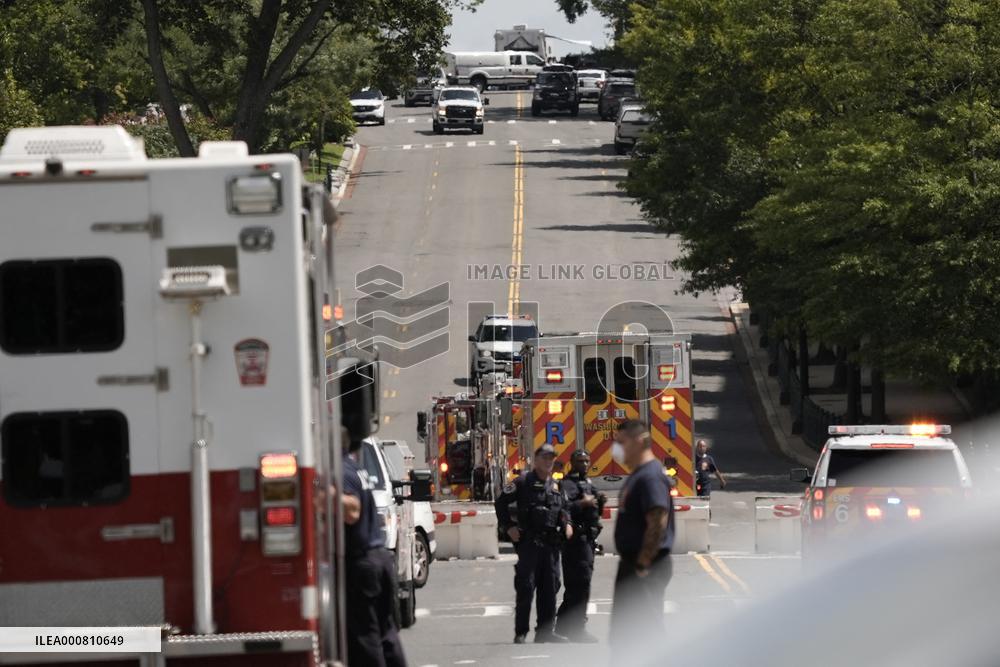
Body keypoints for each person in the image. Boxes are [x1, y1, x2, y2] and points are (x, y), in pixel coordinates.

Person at [495, 443, 573, 644]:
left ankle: (545, 632)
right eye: (545, 458)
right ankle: (521, 631)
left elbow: (565, 509)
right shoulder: (522, 482)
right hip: (529, 543)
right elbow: (501, 502)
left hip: (551, 546)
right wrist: (508, 527)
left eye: (551, 458)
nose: (548, 462)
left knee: (551, 587)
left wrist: (568, 524)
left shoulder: (556, 486)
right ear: (536, 460)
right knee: (526, 587)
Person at [341, 430, 407, 667]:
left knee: (366, 637)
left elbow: (352, 510)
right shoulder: (356, 468)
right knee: (386, 631)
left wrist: (321, 495)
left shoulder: (339, 471)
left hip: (362, 563)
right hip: (379, 558)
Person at [610, 419, 675, 650]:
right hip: (635, 563)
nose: (616, 449)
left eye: (621, 442)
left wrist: (643, 563)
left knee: (645, 635)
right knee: (627, 636)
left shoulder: (650, 477)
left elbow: (658, 518)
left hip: (645, 565)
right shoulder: (639, 475)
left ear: (638, 442)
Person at [555, 450, 605, 642]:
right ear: (572, 463)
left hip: (588, 539)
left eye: (586, 461)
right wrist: (582, 504)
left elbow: (595, 510)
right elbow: (564, 508)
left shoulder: (587, 482)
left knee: (578, 584)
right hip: (576, 539)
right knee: (580, 583)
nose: (584, 464)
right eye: (580, 461)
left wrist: (599, 501)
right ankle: (577, 629)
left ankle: (563, 626)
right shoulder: (568, 484)